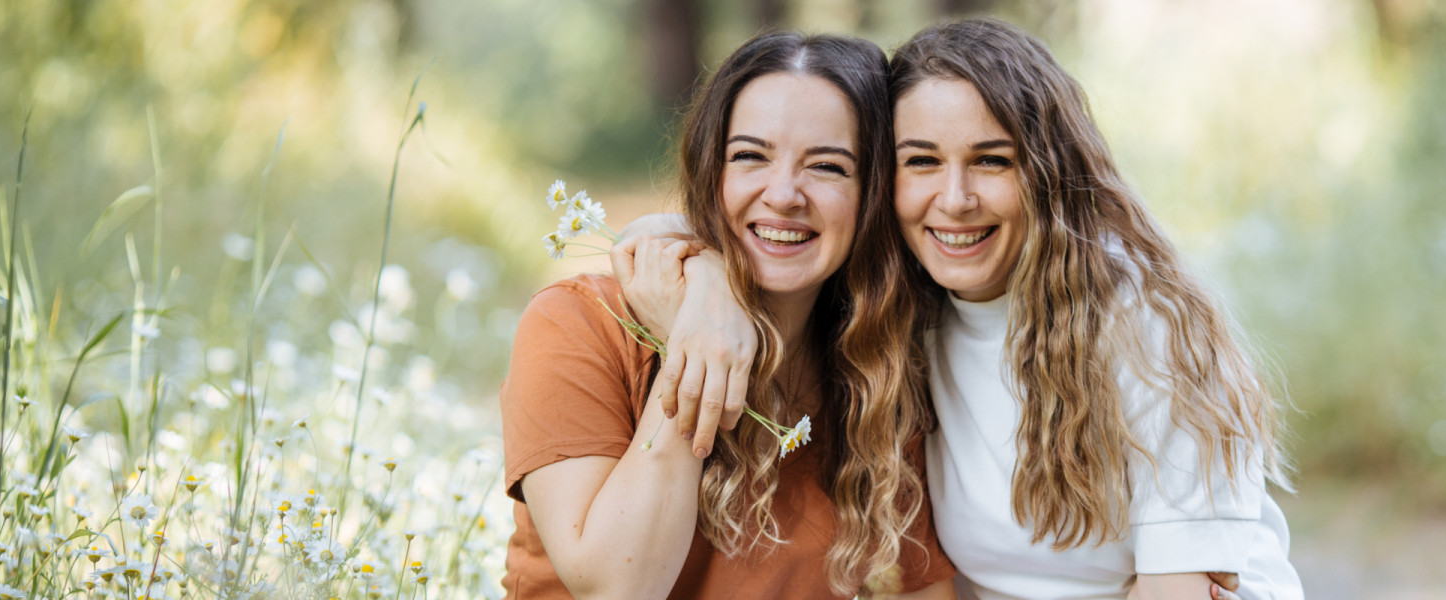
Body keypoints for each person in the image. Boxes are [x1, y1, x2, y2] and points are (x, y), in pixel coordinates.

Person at [618, 18, 1300, 600]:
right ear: (883, 181)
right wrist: (709, 286)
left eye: (992, 161)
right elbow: (666, 238)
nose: (955, 199)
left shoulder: (1149, 327)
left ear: (1049, 173)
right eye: (922, 162)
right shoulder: (900, 312)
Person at [499, 31, 955, 599]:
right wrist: (691, 345)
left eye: (828, 167)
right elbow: (617, 589)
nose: (784, 194)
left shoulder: (875, 369)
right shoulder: (576, 323)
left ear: (873, 194)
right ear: (709, 172)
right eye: (749, 156)